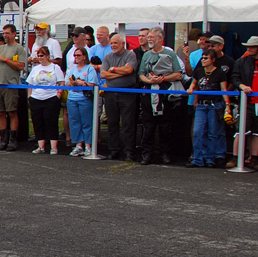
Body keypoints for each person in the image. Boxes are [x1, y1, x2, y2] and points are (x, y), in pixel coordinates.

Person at [137, 27, 184, 165]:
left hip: (165, 93)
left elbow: (178, 74)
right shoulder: (146, 55)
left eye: (151, 37)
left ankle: (165, 154)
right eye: (148, 37)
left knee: (165, 126)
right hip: (149, 93)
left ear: (160, 38)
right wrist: (150, 81)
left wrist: (163, 78)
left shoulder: (170, 54)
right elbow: (141, 74)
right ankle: (147, 154)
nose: (149, 39)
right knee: (148, 126)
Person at [230, 36, 258, 170]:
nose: (249, 49)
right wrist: (242, 86)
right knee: (240, 131)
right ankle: (235, 157)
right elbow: (235, 78)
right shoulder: (241, 62)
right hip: (246, 102)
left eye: (252, 47)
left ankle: (254, 158)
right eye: (248, 47)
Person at [185, 48, 230, 167]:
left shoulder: (220, 73)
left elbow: (224, 90)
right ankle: (198, 158)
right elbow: (194, 84)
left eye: (206, 58)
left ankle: (210, 158)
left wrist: (228, 106)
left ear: (213, 60)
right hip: (201, 105)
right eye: (202, 58)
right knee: (198, 131)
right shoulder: (199, 71)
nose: (203, 60)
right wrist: (191, 90)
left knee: (213, 132)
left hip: (214, 105)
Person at [0, 24, 26, 151]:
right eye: (4, 33)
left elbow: (20, 66)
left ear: (14, 34)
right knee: (1, 112)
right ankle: (3, 139)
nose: (5, 35)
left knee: (12, 112)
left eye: (8, 33)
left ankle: (13, 140)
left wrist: (7, 60)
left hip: (11, 84)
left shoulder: (19, 49)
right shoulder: (1, 48)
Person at [100, 33, 139, 161]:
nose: (113, 45)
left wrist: (113, 69)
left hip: (127, 93)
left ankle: (129, 152)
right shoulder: (107, 57)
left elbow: (129, 71)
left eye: (115, 43)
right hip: (110, 93)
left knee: (128, 123)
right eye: (111, 43)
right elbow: (103, 74)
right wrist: (119, 72)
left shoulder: (130, 55)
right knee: (112, 123)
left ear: (123, 44)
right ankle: (113, 150)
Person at [26, 47, 64, 154]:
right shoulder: (35, 68)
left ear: (47, 56)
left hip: (51, 97)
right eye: (38, 56)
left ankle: (53, 147)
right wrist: (30, 96)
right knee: (38, 122)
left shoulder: (55, 67)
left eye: (42, 55)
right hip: (36, 98)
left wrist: (58, 95)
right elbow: (30, 83)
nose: (40, 58)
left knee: (51, 122)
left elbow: (61, 82)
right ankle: (41, 146)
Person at [65, 46, 99, 156]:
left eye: (78, 55)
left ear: (84, 56)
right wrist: (74, 83)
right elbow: (67, 83)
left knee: (86, 122)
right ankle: (78, 145)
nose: (76, 57)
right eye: (75, 55)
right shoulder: (72, 69)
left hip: (84, 99)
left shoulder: (90, 69)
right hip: (72, 98)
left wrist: (82, 83)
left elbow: (92, 83)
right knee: (74, 122)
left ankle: (88, 145)